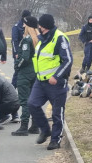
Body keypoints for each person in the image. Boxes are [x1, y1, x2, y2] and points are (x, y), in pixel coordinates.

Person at [28, 14, 73, 150]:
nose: (39, 28)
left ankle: (55, 140)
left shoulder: (59, 38)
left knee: (57, 112)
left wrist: (57, 76)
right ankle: (45, 130)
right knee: (32, 104)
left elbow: (68, 60)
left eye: (40, 26)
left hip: (56, 83)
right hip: (40, 81)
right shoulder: (42, 39)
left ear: (45, 26)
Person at [11, 16, 39, 136]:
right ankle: (35, 125)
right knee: (34, 100)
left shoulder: (27, 40)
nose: (23, 26)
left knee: (24, 100)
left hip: (25, 73)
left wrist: (17, 65)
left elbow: (25, 57)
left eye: (24, 24)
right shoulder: (39, 39)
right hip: (35, 72)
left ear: (28, 26)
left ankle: (23, 126)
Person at [11, 10, 31, 88]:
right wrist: (16, 53)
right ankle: (12, 88)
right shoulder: (16, 27)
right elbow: (14, 41)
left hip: (27, 53)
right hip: (18, 54)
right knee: (17, 71)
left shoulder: (30, 26)